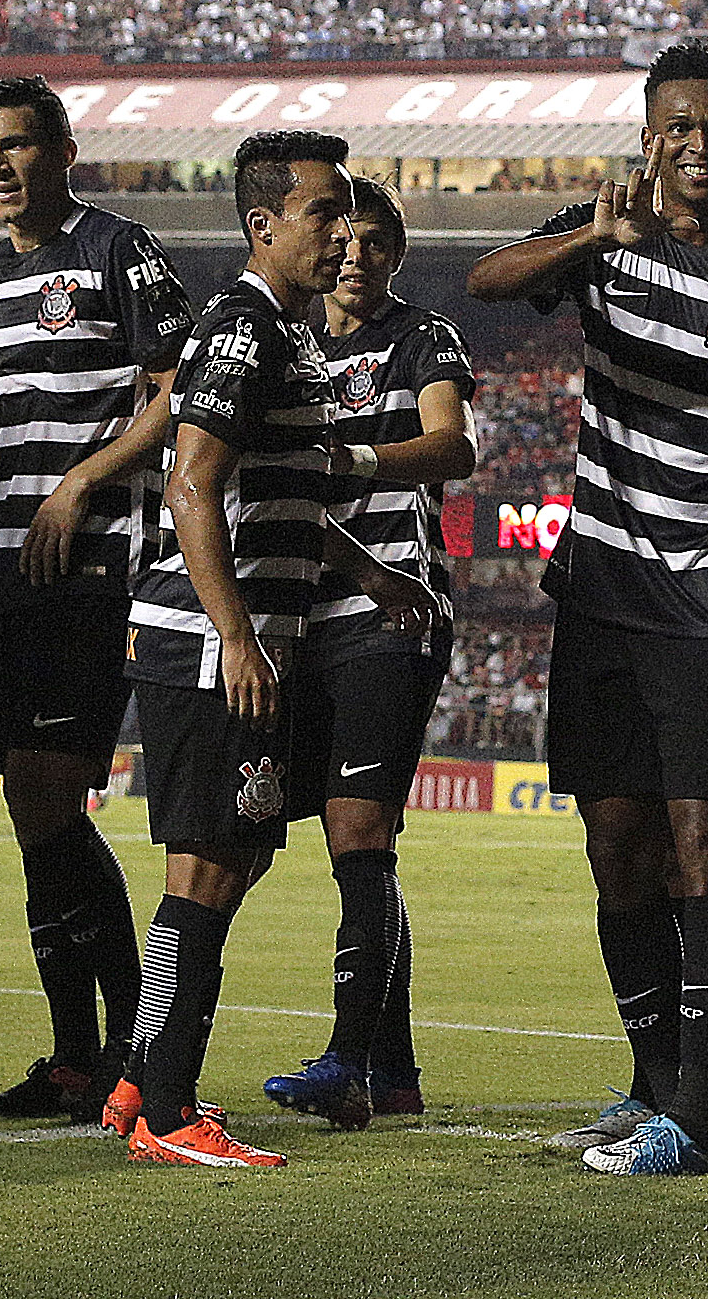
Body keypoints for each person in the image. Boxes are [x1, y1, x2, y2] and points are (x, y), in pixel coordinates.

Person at [463, 40, 708, 1178]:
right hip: (601, 590)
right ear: (649, 134)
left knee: (706, 845)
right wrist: (591, 236)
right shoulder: (604, 227)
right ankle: (647, 1086)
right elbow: (482, 282)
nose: (696, 141)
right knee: (617, 845)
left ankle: (697, 1117)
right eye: (675, 123)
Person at [99, 130, 443, 1168]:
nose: (343, 232)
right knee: (205, 867)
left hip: (253, 638)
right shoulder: (242, 329)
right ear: (264, 223)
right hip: (215, 647)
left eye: (348, 212)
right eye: (324, 212)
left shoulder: (286, 336)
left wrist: (375, 575)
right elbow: (191, 482)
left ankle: (141, 1075)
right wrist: (238, 633)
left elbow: (280, 497)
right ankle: (167, 1110)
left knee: (234, 855)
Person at [0, 76, 191, 1121]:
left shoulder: (118, 249)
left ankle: (117, 1045)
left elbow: (175, 387)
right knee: (29, 802)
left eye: (16, 146)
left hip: (93, 556)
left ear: (63, 148)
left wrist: (85, 479)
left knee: (53, 794)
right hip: (9, 563)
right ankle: (76, 1052)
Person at [261, 174, 477, 1130]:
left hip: (393, 607)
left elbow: (453, 447)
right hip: (305, 611)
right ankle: (395, 1075)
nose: (354, 255)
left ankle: (347, 1064)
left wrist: (349, 462)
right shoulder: (288, 339)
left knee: (359, 835)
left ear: (396, 252)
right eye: (342, 238)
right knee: (356, 850)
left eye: (375, 240)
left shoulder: (422, 337)